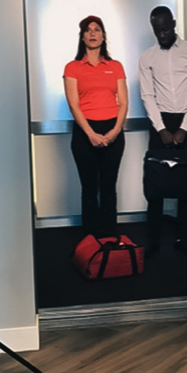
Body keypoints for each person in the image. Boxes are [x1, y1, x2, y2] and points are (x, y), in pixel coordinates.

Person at [138, 6, 187, 256]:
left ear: (174, 24)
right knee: (156, 182)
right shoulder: (147, 57)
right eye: (157, 30)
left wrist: (185, 127)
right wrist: (162, 128)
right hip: (160, 122)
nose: (162, 34)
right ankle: (153, 239)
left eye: (165, 29)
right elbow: (147, 95)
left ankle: (182, 238)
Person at [63, 16, 127, 236]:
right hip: (84, 132)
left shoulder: (115, 66)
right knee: (89, 189)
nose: (92, 33)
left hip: (112, 130)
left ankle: (110, 240)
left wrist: (115, 131)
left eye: (97, 29)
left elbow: (123, 102)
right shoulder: (72, 67)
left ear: (103, 35)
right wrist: (90, 133)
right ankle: (90, 242)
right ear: (82, 36)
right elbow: (74, 105)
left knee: (108, 188)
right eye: (88, 30)